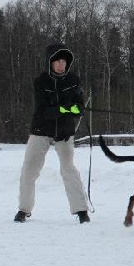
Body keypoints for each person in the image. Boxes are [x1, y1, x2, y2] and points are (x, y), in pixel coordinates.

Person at [14, 43, 90, 224]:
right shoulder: (41, 81)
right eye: (57, 61)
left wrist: (75, 108)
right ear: (50, 62)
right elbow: (43, 111)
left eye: (64, 61)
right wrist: (64, 109)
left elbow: (79, 108)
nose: (61, 65)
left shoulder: (74, 80)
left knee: (68, 169)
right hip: (40, 131)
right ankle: (23, 210)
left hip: (64, 133)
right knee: (29, 170)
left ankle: (81, 211)